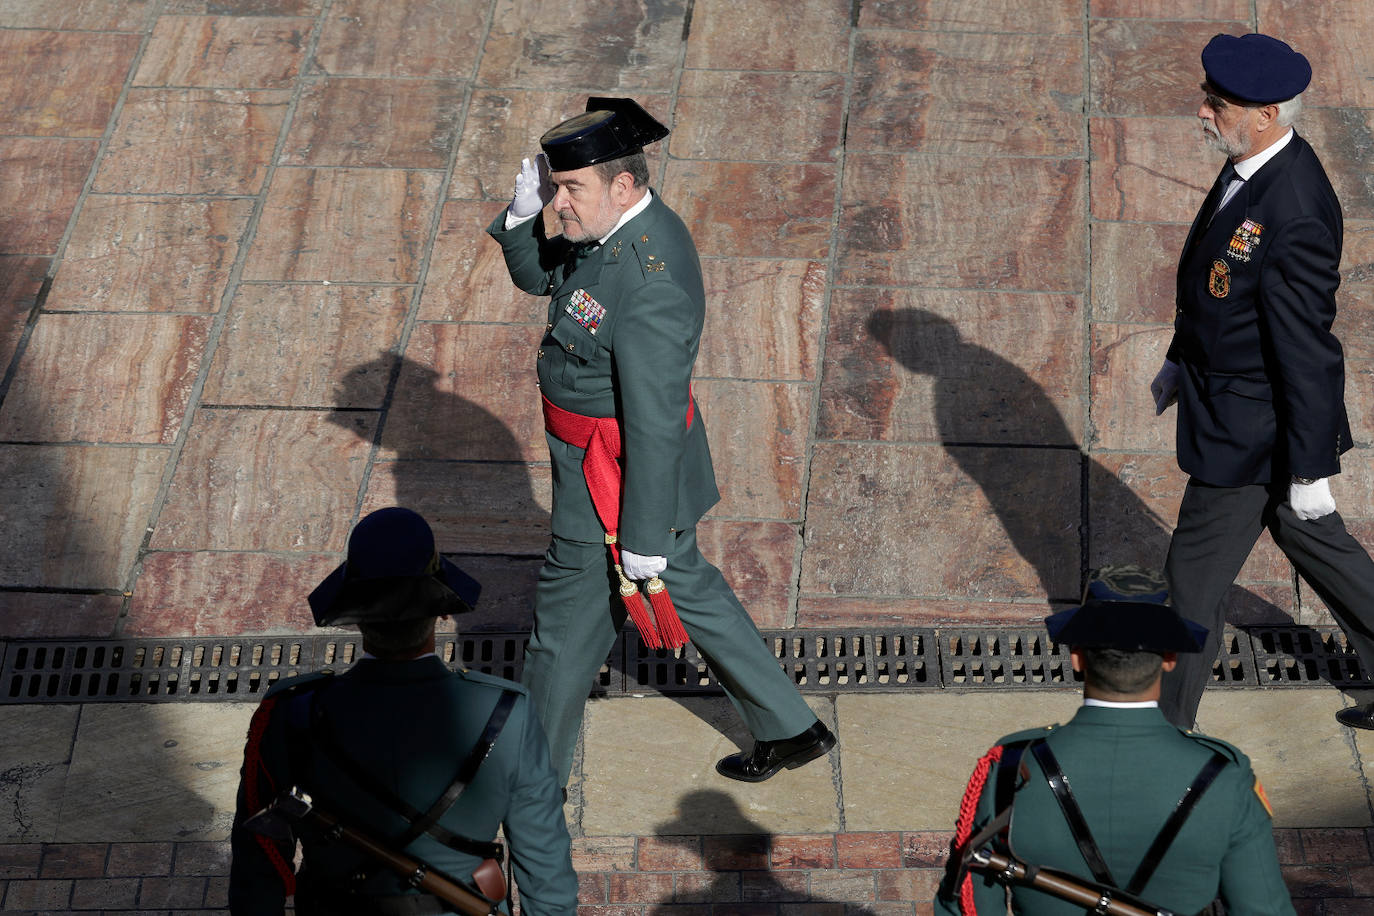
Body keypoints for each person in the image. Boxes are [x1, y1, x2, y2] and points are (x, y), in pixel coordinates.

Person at [485, 97, 833, 785]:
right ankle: (791, 728)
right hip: (613, 474)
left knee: (560, 636)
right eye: (555, 189)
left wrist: (638, 533)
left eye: (570, 189)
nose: (560, 203)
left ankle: (529, 786)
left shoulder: (649, 283)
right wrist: (521, 220)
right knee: (687, 581)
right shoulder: (615, 234)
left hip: (610, 490)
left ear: (622, 184)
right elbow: (542, 279)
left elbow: (651, 416)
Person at [1149, 32, 1374, 730]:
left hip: (1250, 430)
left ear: (1265, 112)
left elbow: (1306, 351)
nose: (1202, 113)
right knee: (1318, 546)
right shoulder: (1252, 162)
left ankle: (1161, 735)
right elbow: (1218, 289)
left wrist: (1308, 469)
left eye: (1216, 104)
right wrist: (1180, 360)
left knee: (1193, 581)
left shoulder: (1296, 209)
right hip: (1238, 407)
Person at [228, 506, 577, 915]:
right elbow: (545, 868)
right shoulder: (506, 712)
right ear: (442, 608)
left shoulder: (291, 711)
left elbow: (260, 864)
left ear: (355, 615)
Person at [935, 566, 1293, 916]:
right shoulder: (1225, 776)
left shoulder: (1012, 765)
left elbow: (964, 904)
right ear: (1170, 658)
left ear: (1076, 656)